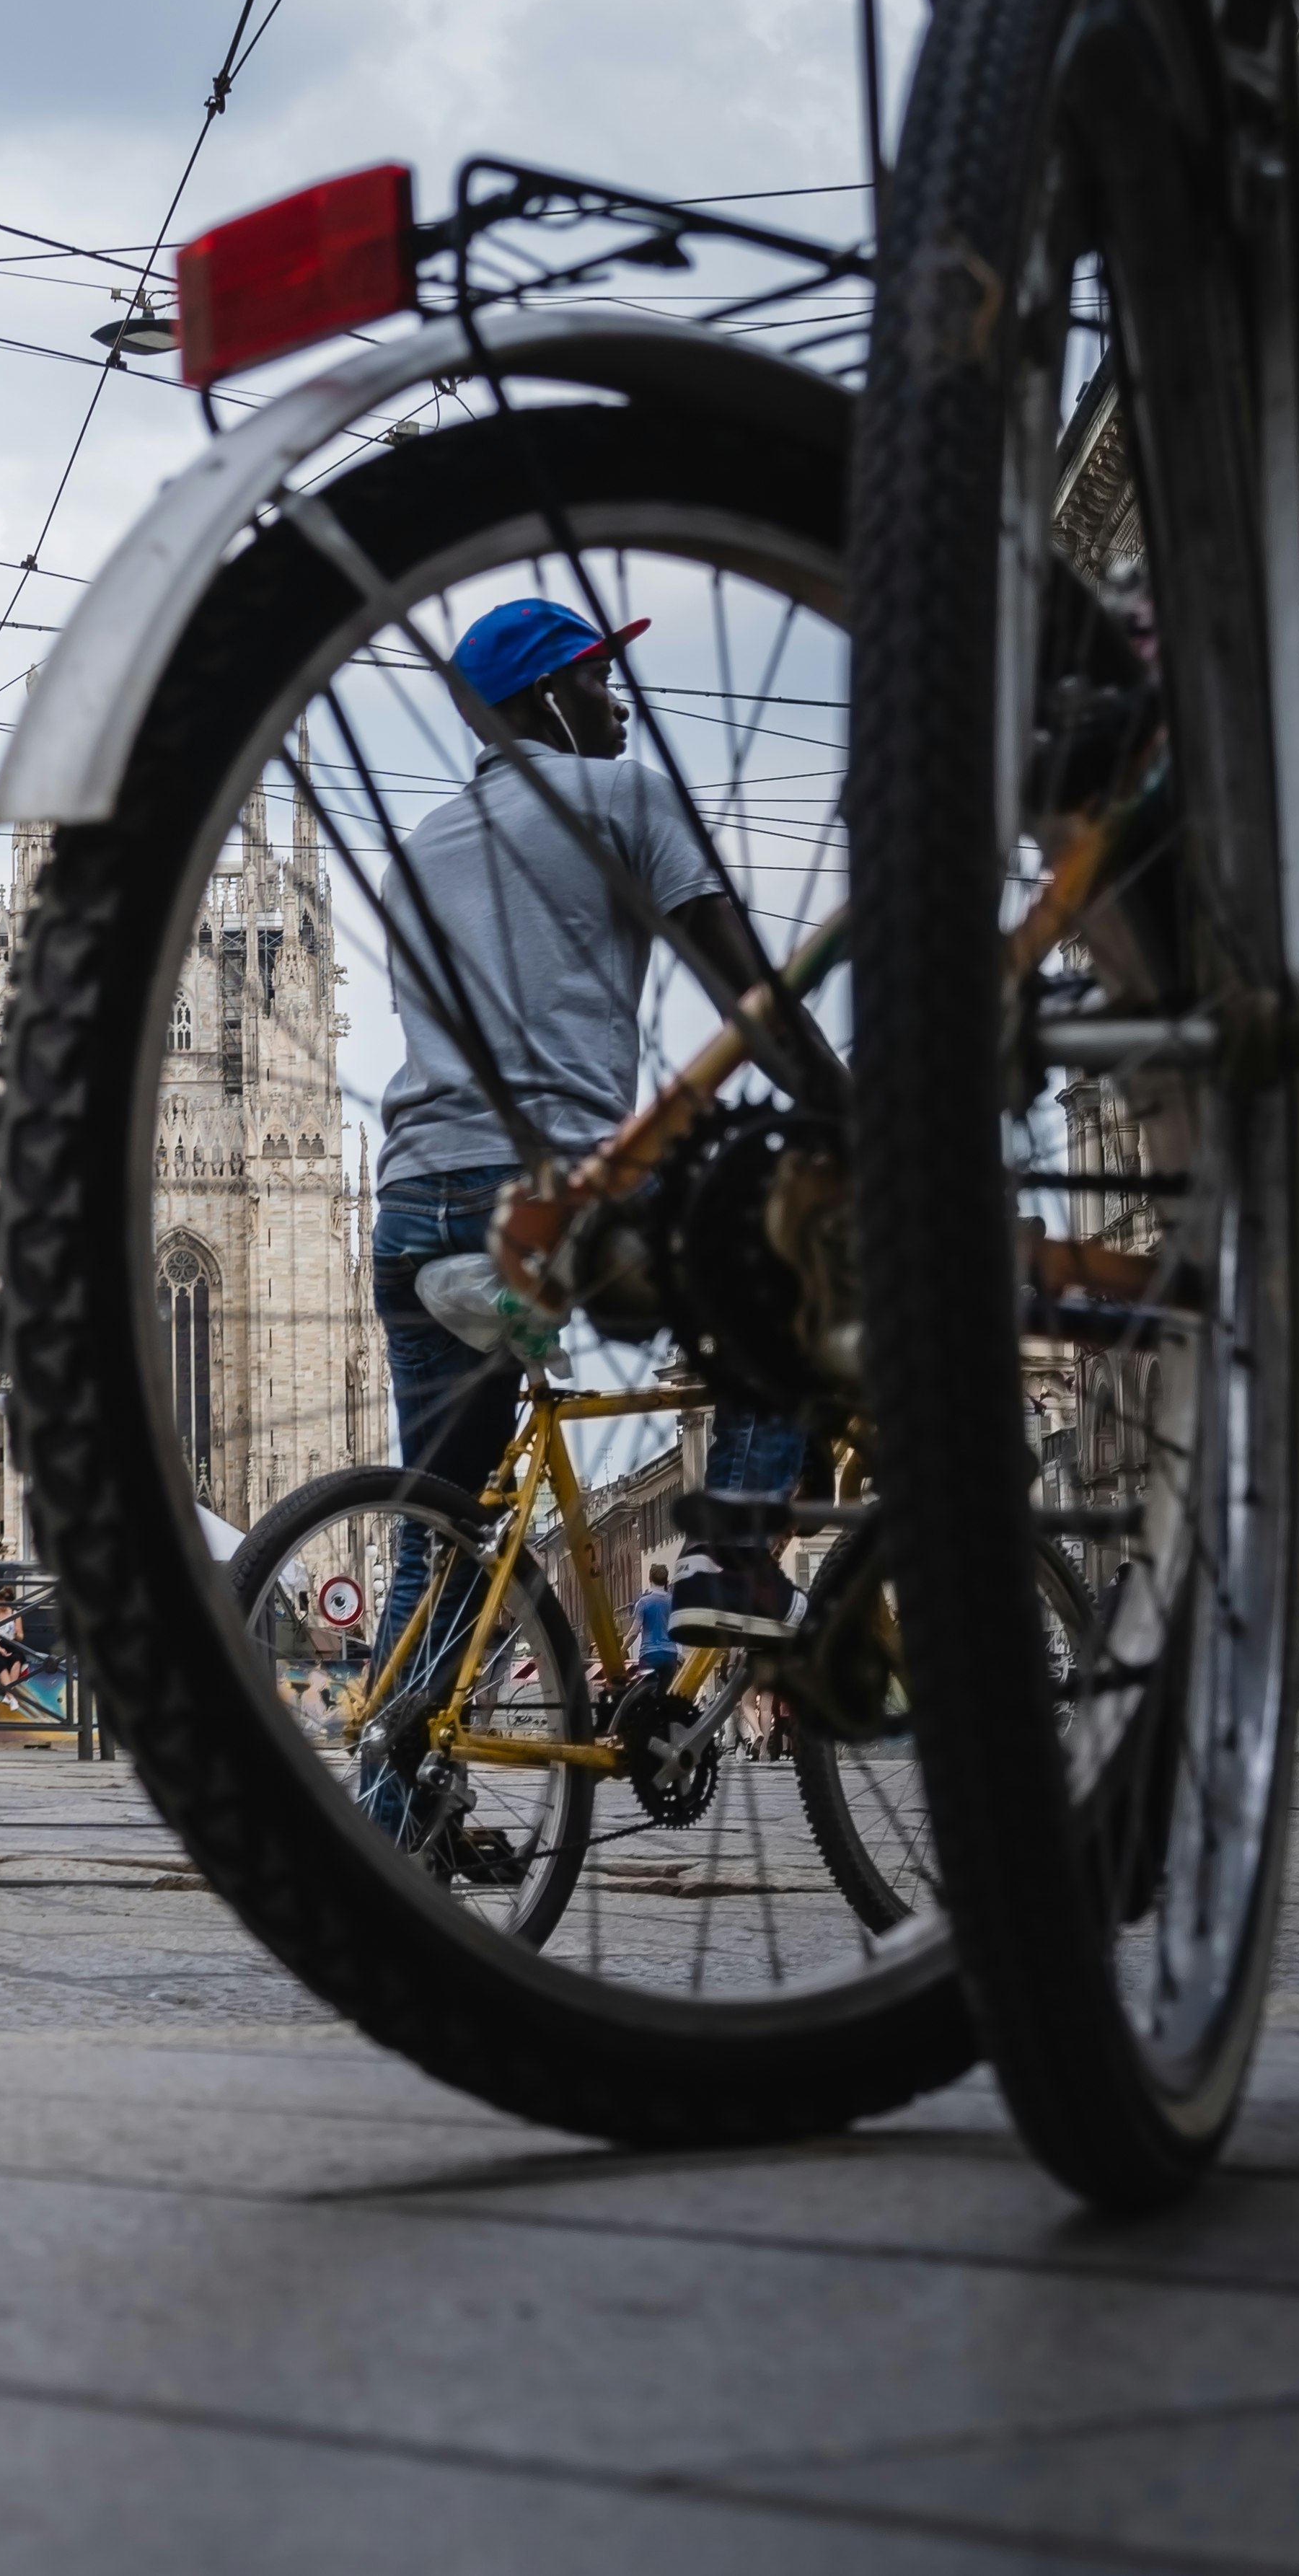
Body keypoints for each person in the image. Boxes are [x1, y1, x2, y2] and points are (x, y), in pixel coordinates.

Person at [361, 600, 814, 1817]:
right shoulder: (624, 802)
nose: (621, 703)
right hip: (559, 1181)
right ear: (550, 697)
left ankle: (386, 1821)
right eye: (603, 681)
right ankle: (734, 1551)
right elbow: (753, 996)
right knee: (788, 1260)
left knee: (443, 1536)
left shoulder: (419, 849)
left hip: (412, 1205)